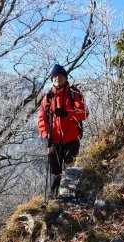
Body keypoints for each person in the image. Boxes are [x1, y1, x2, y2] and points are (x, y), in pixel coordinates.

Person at [37, 64, 89, 198]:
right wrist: (45, 134)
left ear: (65, 78)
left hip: (72, 138)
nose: (57, 79)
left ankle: (70, 196)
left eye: (60, 76)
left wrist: (67, 113)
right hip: (53, 140)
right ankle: (54, 198)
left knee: (70, 168)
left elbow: (84, 113)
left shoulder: (74, 94)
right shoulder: (47, 97)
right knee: (55, 171)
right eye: (54, 77)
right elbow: (41, 119)